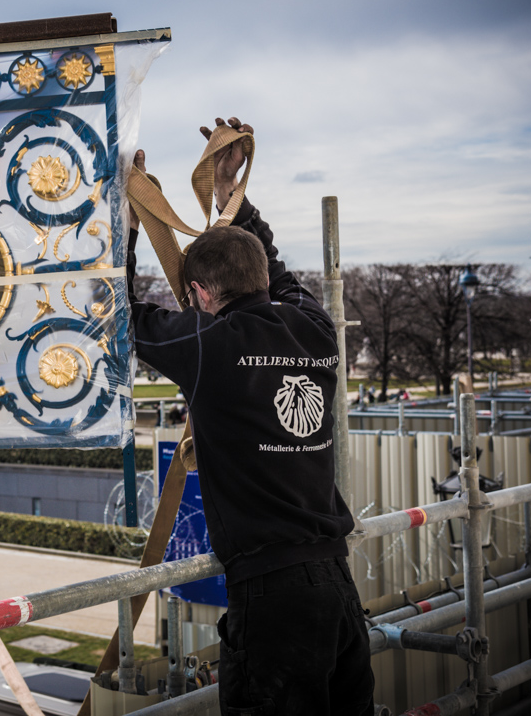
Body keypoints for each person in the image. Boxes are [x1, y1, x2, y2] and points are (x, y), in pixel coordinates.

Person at [126, 117, 375, 715]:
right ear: (261, 278)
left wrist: (127, 226)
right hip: (337, 584)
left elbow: (116, 314)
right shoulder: (315, 329)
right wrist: (230, 194)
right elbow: (277, 268)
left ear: (200, 295)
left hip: (272, 598)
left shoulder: (208, 344)